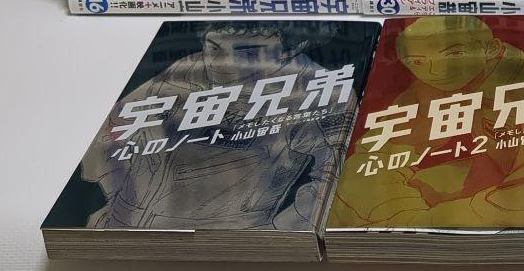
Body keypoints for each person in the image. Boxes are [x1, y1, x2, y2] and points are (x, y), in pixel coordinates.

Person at [330, 16, 524, 230]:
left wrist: (413, 222)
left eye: (455, 54)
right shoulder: (440, 81)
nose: (436, 71)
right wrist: (403, 208)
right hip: (476, 200)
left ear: (492, 49)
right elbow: (372, 158)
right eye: (417, 61)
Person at [77, 23, 354, 232]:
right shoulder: (185, 70)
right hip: (119, 224)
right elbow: (113, 128)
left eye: (247, 53)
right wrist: (115, 193)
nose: (222, 64)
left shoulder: (320, 91)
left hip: (224, 240)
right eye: (213, 49)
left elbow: (334, 177)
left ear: (292, 48)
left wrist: (277, 233)